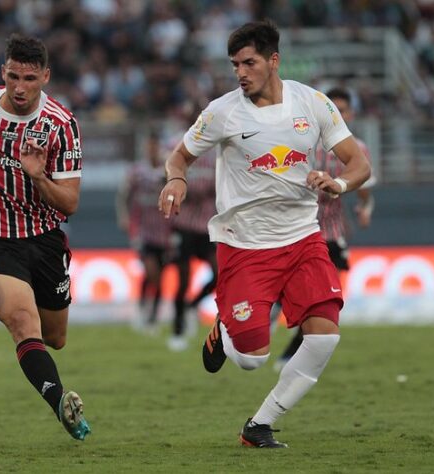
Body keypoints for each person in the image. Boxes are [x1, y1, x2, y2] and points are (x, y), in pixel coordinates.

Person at [158, 20, 370, 448]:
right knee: (253, 360)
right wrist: (176, 180)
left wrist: (339, 184)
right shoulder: (222, 112)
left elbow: (359, 164)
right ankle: (224, 326)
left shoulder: (313, 104)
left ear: (273, 61)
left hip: (302, 237)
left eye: (249, 63)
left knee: (324, 336)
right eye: (235, 64)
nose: (241, 72)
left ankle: (259, 425)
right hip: (245, 244)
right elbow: (179, 156)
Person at [0, 34, 90, 441]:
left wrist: (37, 175)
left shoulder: (61, 125)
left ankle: (50, 380)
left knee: (55, 338)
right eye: (13, 76)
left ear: (45, 77)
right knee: (21, 321)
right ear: (3, 72)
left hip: (45, 239)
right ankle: (61, 403)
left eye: (29, 78)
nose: (19, 87)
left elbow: (69, 203)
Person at [274, 87, 376, 370]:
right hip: (297, 227)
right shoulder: (305, 142)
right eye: (336, 109)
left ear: (351, 114)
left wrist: (364, 209)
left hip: (331, 230)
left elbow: (365, 187)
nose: (340, 115)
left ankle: (292, 350)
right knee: (291, 285)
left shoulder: (358, 148)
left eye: (344, 110)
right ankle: (273, 313)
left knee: (328, 296)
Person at [116, 132, 173, 334]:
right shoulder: (136, 172)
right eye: (149, 146)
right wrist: (124, 217)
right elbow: (124, 196)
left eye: (155, 146)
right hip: (144, 231)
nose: (152, 150)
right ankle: (144, 312)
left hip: (166, 232)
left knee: (159, 274)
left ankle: (152, 315)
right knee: (151, 271)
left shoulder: (168, 171)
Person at [168, 151, 217, 352]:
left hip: (206, 227)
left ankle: (192, 305)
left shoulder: (217, 155)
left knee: (220, 273)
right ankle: (177, 331)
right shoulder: (180, 152)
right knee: (183, 280)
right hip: (184, 226)